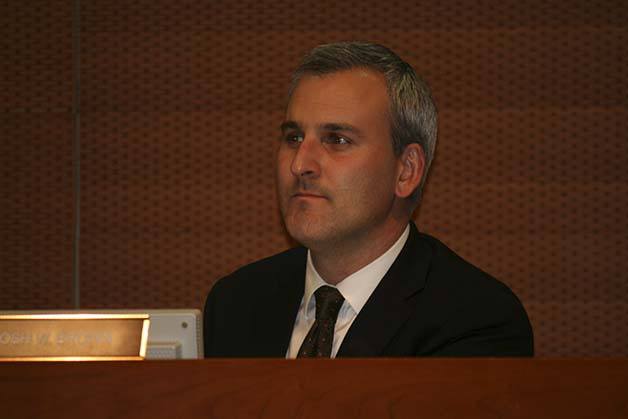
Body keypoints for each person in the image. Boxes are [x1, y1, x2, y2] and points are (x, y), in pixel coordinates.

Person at [204, 42, 533, 357]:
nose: (299, 164)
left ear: (406, 171)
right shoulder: (235, 304)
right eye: (294, 137)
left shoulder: (474, 320)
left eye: (337, 139)